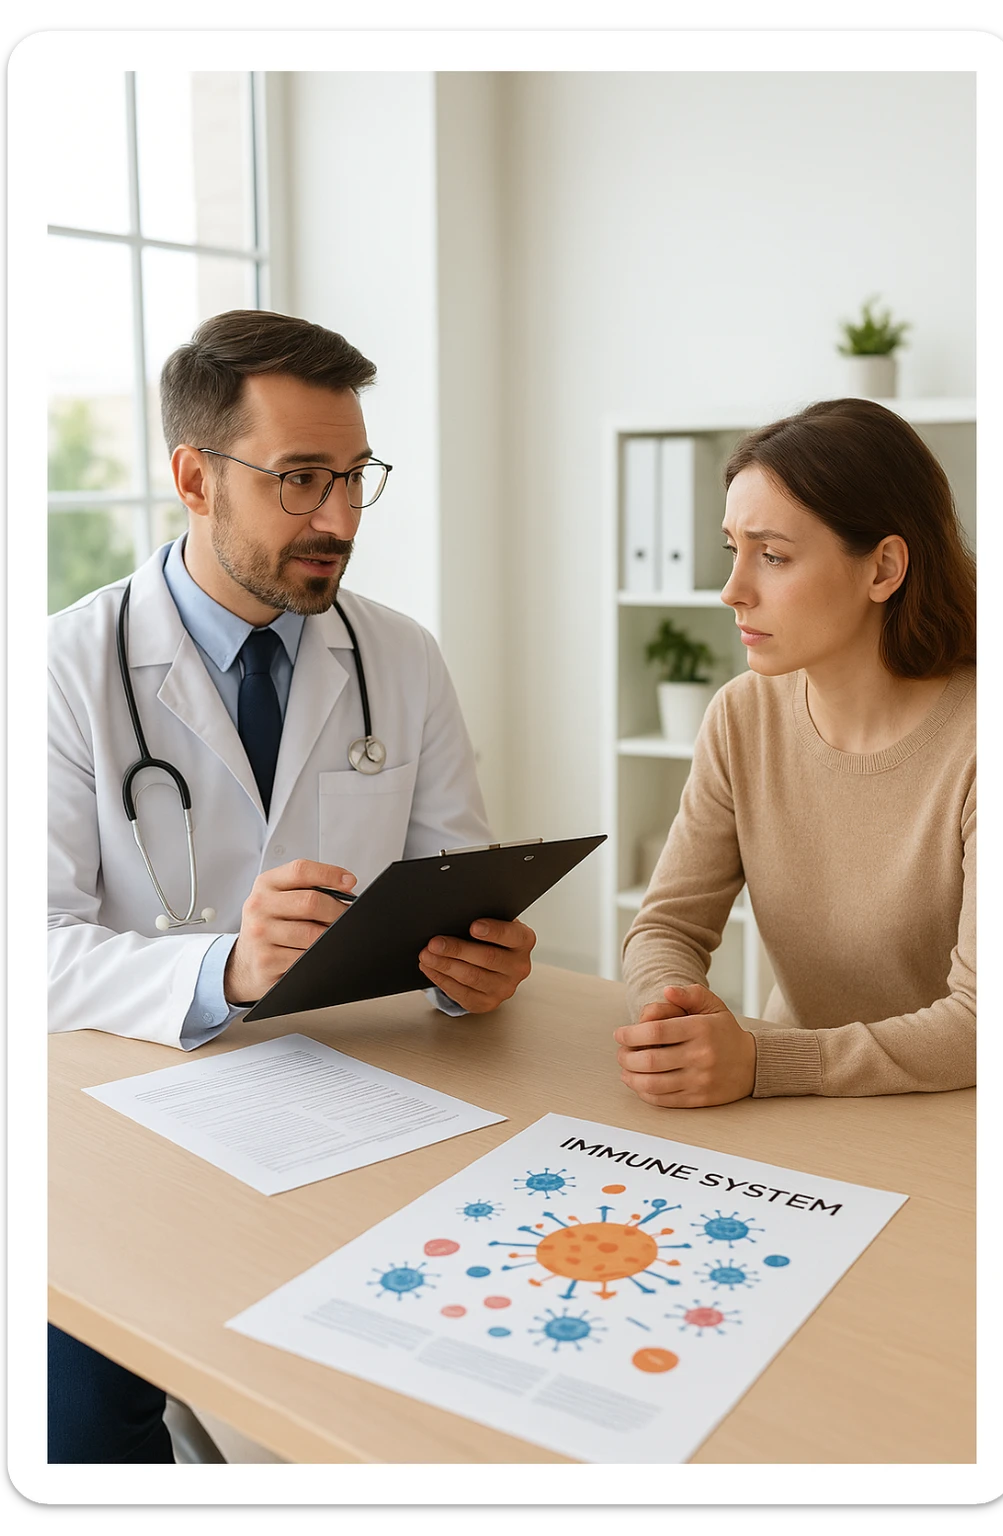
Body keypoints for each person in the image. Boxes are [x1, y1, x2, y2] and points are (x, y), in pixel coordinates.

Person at [47, 308, 536, 1461]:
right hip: (124, 1133)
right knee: (78, 1418)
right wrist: (223, 968)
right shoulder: (68, 669)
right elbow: (39, 946)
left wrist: (474, 968)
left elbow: (452, 879)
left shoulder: (399, 656)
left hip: (352, 1109)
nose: (341, 519)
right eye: (300, 480)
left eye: (356, 475)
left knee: (435, 1383)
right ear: (194, 477)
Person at [616, 397, 976, 1109]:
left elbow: (982, 1022)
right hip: (794, 1105)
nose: (731, 590)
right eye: (733, 550)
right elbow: (665, 926)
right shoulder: (740, 718)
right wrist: (674, 1019)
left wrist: (765, 1063)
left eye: (773, 556)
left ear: (883, 569)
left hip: (958, 1116)